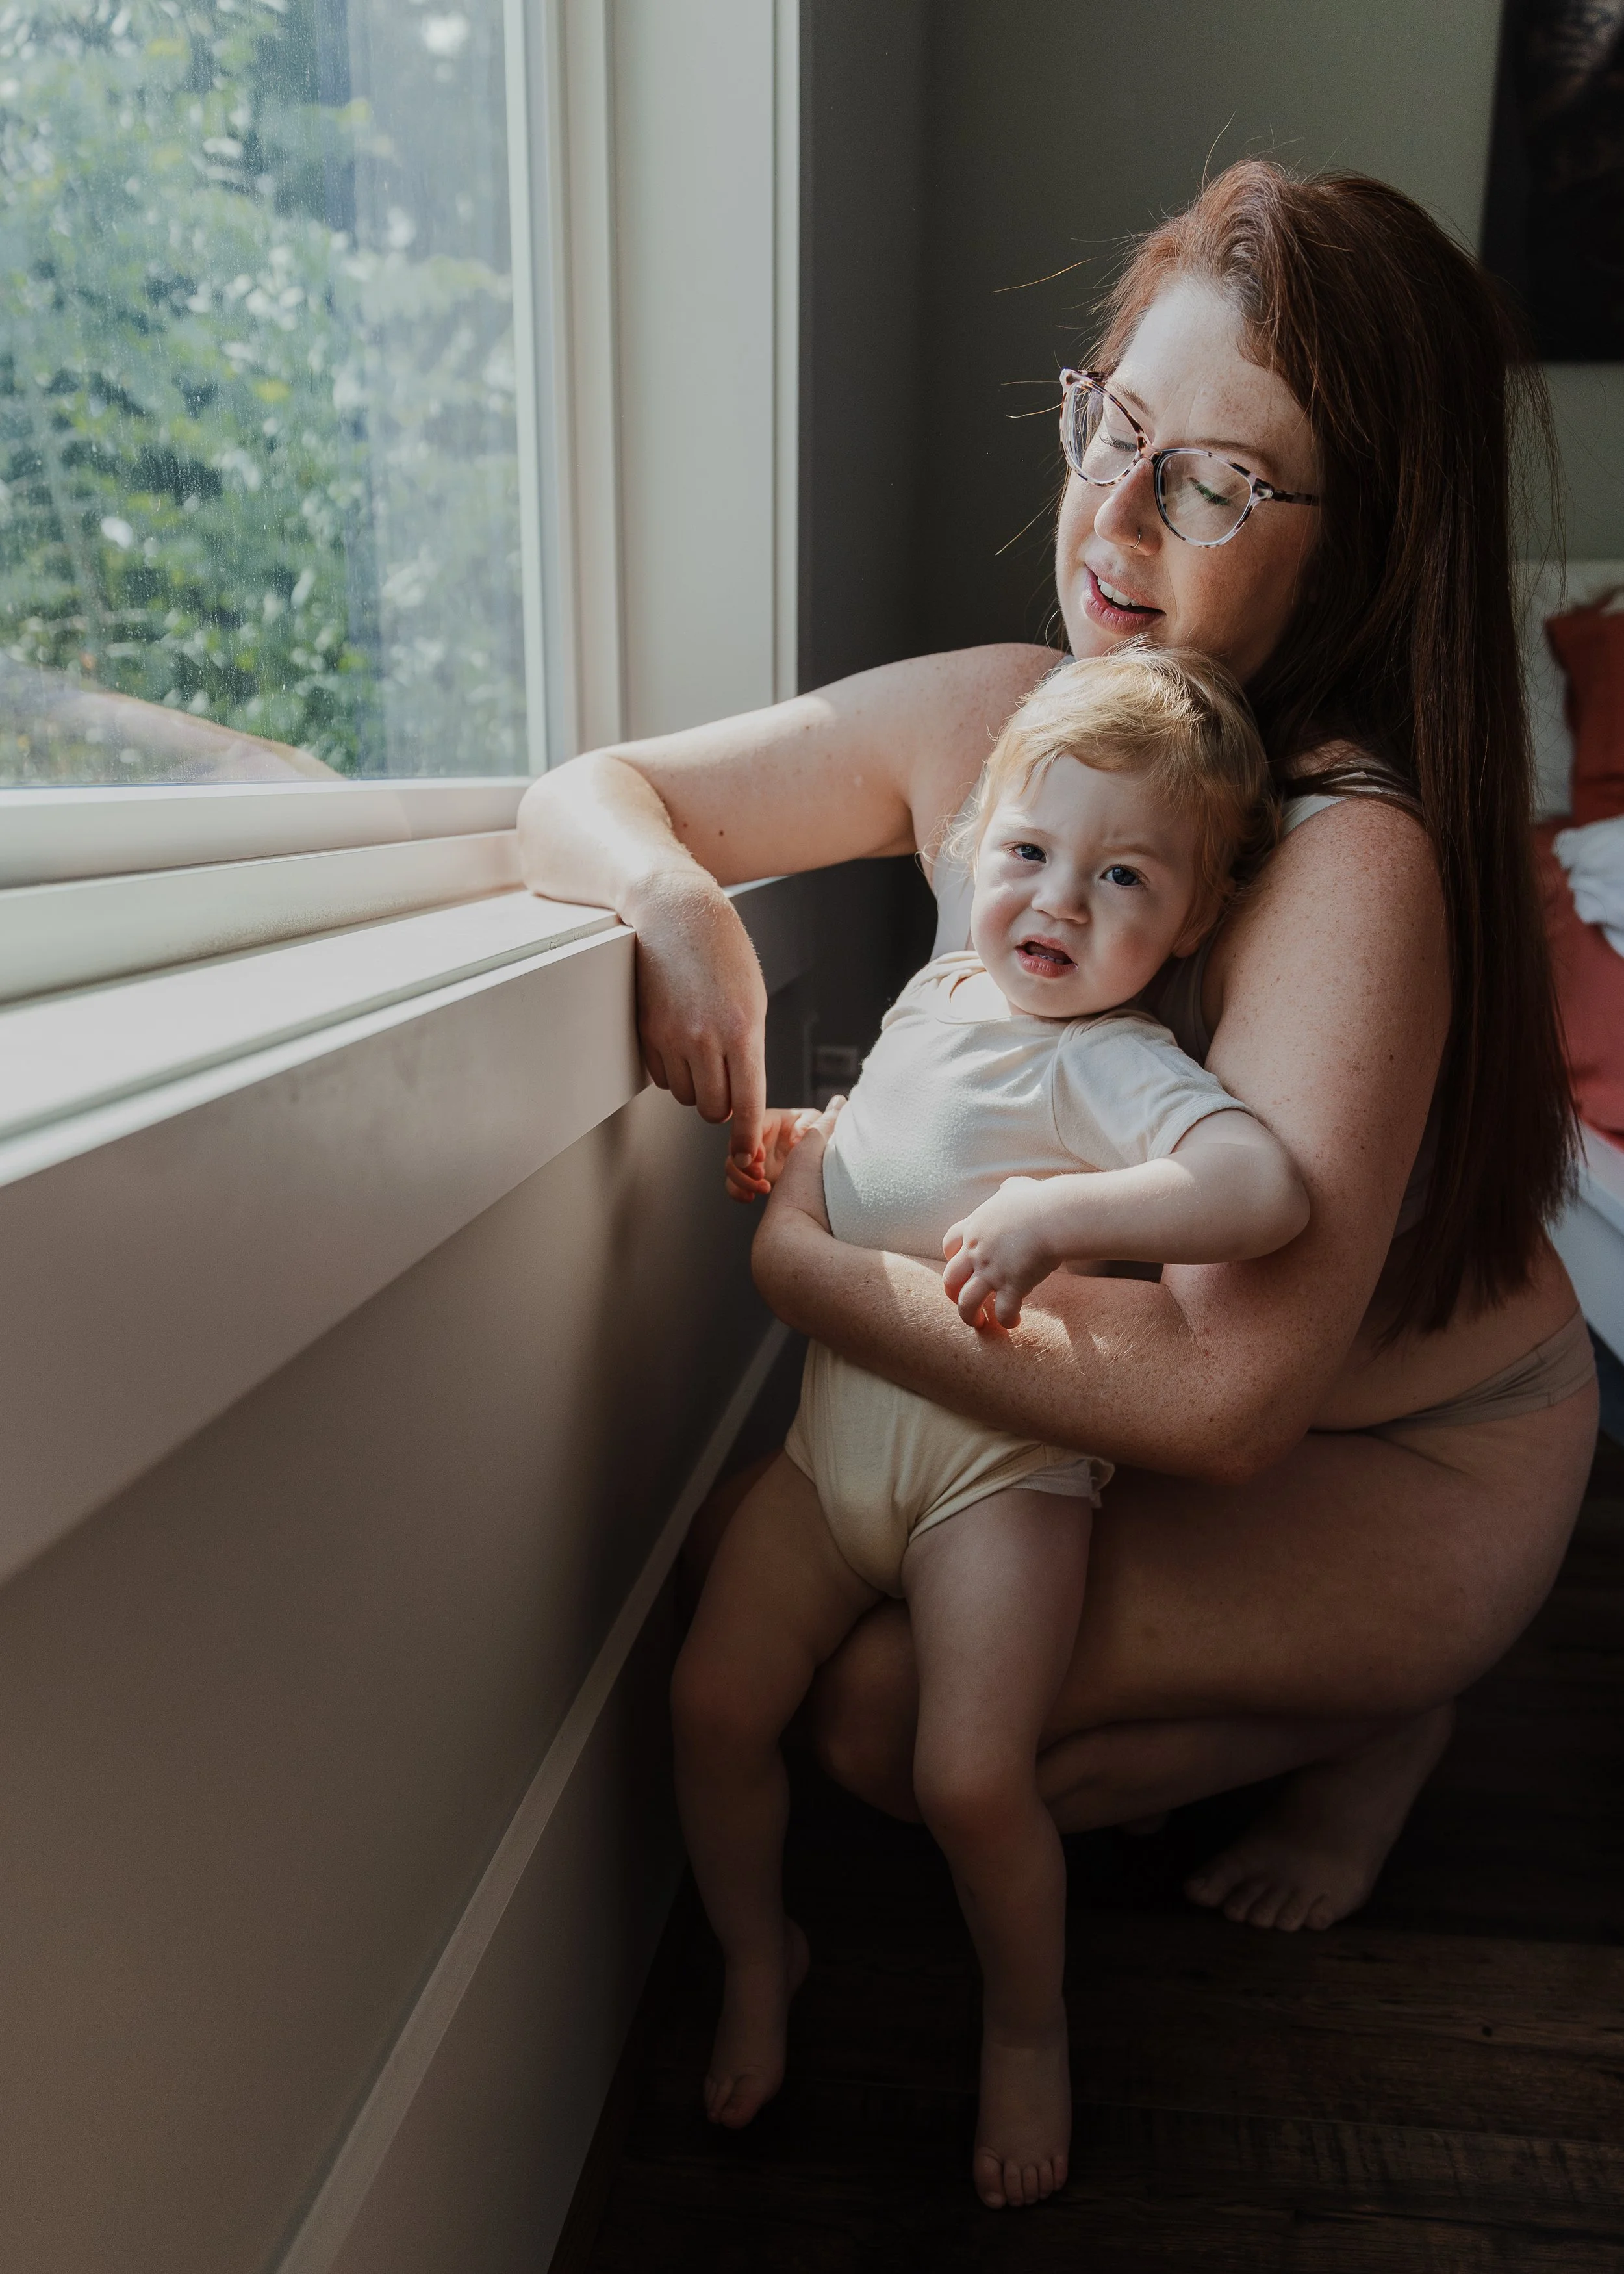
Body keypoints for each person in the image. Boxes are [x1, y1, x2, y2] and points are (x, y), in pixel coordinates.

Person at [518, 162, 1595, 2016]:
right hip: (1107, 1414)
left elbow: (1228, 1386)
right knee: (747, 1589)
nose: (1112, 513)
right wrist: (666, 892)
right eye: (1114, 424)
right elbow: (588, 788)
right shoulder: (996, 715)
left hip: (1420, 1442)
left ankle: (1386, 1716)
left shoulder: (1349, 853)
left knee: (889, 1726)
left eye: (1216, 482)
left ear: (1361, 540)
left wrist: (799, 1270)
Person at [673, 648, 1308, 2209]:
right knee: (708, 1701)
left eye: (1121, 879)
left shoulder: (1116, 1059)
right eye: (1029, 854)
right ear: (971, 851)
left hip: (997, 1482)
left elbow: (1261, 1190)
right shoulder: (940, 982)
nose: (1058, 904)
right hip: (838, 1456)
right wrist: (813, 1142)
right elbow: (897, 1127)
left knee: (969, 1775)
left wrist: (1059, 1210)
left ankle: (1027, 2025)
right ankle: (764, 1952)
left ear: (1192, 921)